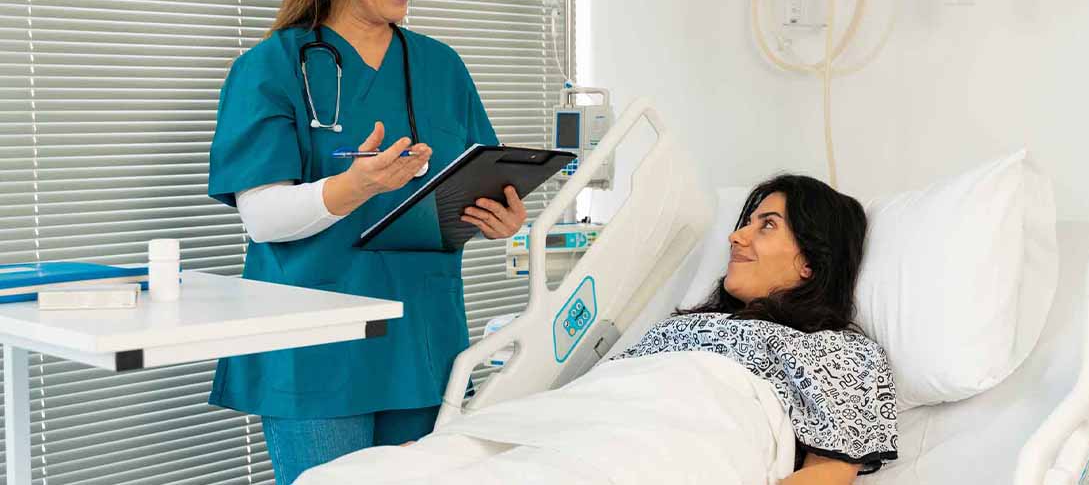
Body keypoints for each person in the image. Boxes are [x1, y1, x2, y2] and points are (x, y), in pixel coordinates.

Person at [206, 0, 528, 485]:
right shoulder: (270, 68)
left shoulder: (441, 66)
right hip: (314, 349)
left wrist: (499, 217)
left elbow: (469, 179)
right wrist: (354, 187)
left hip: (422, 340)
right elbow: (262, 217)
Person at [296, 174, 899, 485]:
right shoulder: (682, 328)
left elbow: (831, 471)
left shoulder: (839, 352)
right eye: (745, 222)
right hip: (577, 420)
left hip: (670, 439)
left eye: (766, 226)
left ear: (812, 261)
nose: (737, 236)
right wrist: (448, 444)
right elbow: (597, 397)